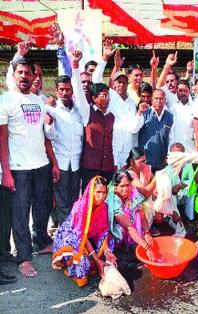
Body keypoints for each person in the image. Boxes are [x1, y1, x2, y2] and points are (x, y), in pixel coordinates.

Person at [0, 58, 60, 278]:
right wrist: (6, 172)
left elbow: (44, 135)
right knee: (21, 214)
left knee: (43, 208)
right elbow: (2, 139)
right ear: (13, 75)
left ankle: (41, 242)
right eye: (20, 72)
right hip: (19, 168)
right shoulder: (5, 101)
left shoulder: (39, 100)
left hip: (41, 165)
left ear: (35, 76)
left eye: (28, 73)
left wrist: (53, 162)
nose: (24, 76)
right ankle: (24, 258)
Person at [52, 176, 117, 287]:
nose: (101, 196)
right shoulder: (80, 208)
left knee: (110, 245)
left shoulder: (103, 206)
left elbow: (103, 232)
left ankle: (97, 259)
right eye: (98, 192)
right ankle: (75, 263)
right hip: (73, 239)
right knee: (82, 265)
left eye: (104, 192)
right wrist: (97, 260)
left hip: (90, 237)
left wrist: (107, 252)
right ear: (91, 191)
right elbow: (81, 236)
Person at [70, 51, 116, 190]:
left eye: (108, 95)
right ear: (94, 98)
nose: (107, 99)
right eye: (104, 95)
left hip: (107, 167)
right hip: (90, 168)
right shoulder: (87, 112)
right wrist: (76, 65)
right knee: (89, 202)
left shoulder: (111, 116)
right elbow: (78, 89)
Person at [44, 75, 84, 226]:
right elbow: (50, 136)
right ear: (56, 91)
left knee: (75, 201)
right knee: (62, 202)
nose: (65, 93)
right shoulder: (52, 110)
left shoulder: (79, 111)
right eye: (62, 89)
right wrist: (49, 124)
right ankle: (64, 235)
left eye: (68, 89)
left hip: (76, 163)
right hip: (60, 163)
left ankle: (73, 233)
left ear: (72, 90)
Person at [106, 171, 155, 260]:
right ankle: (120, 249)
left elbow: (143, 217)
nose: (126, 189)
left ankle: (132, 243)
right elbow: (129, 227)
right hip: (112, 233)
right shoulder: (113, 200)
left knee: (137, 215)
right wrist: (146, 247)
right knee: (121, 229)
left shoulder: (133, 194)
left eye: (128, 185)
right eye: (122, 186)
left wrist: (147, 233)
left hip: (129, 230)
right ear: (115, 187)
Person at [137, 89, 173, 172]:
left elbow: (171, 138)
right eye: (156, 98)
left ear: (165, 100)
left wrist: (168, 156)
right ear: (152, 100)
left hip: (162, 160)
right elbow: (134, 129)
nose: (158, 101)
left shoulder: (170, 116)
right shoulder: (145, 113)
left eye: (161, 99)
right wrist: (139, 112)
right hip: (145, 161)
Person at [168, 79, 196, 153]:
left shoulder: (195, 108)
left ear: (189, 91)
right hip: (175, 151)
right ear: (176, 91)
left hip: (191, 150)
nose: (183, 93)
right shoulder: (172, 108)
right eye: (180, 90)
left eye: (185, 90)